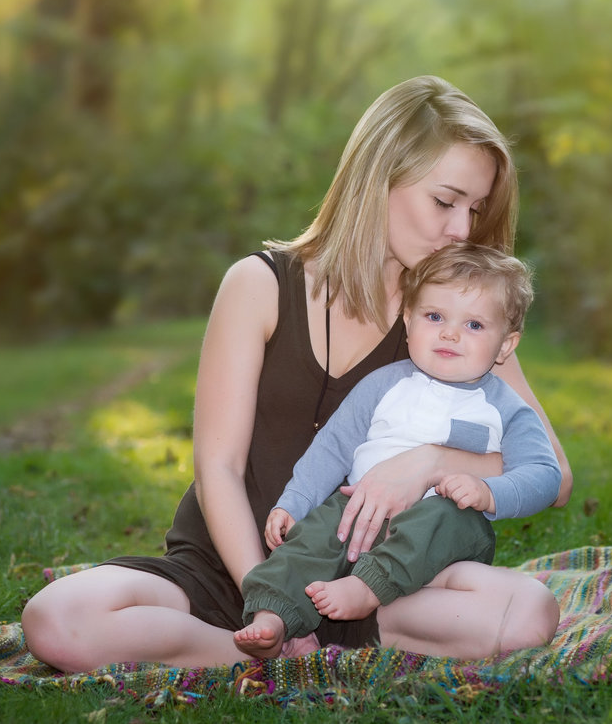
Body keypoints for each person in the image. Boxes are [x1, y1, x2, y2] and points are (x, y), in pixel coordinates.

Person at [21, 75, 573, 671]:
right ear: (377, 178)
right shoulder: (259, 285)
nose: (462, 230)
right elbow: (219, 468)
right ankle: (280, 652)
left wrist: (432, 463)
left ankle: (320, 643)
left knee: (528, 613)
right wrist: (264, 591)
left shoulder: (460, 327)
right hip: (227, 568)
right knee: (55, 622)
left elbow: (554, 474)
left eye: (475, 209)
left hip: (377, 579)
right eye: (445, 201)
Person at [233, 242, 560, 659]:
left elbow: (545, 475)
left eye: (475, 325)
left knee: (445, 512)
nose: (450, 333)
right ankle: (273, 616)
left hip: (443, 531)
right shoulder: (383, 385)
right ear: (408, 320)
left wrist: (489, 492)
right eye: (435, 316)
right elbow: (331, 448)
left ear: (506, 345)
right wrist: (294, 503)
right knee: (313, 534)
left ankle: (368, 588)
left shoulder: (505, 408)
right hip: (362, 512)